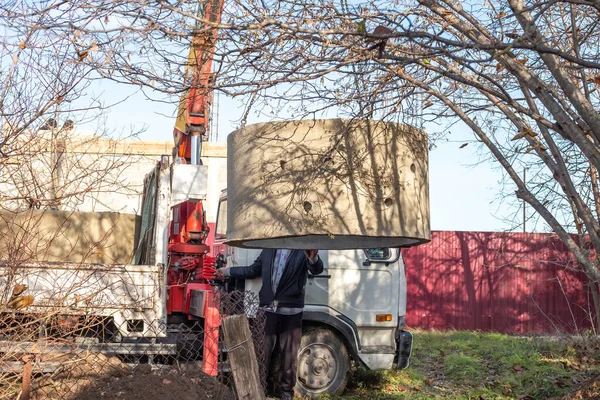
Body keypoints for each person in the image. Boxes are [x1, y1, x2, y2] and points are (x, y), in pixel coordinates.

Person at [219, 249, 323, 400]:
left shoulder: (302, 250)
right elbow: (252, 270)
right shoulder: (268, 249)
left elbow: (316, 269)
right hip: (267, 309)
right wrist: (226, 271)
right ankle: (260, 389)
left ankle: (286, 394)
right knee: (262, 352)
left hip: (291, 311)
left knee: (289, 355)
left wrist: (313, 259)